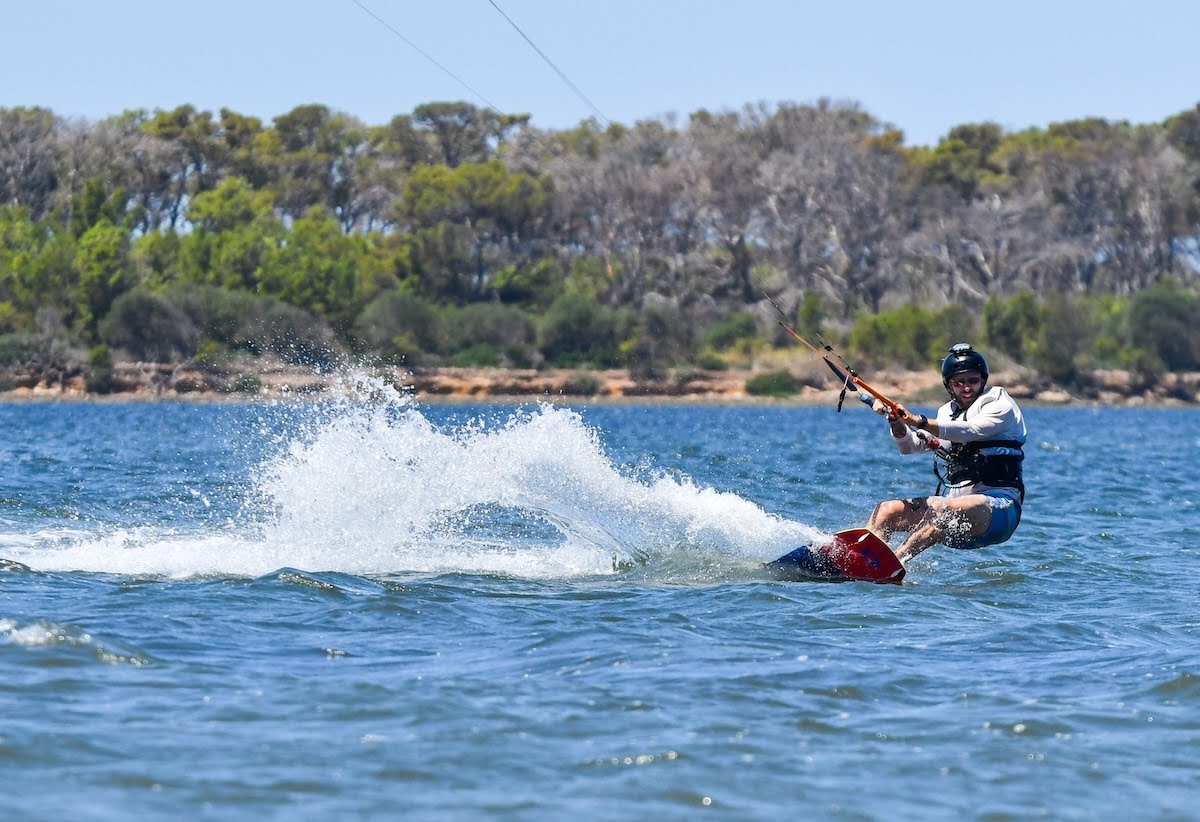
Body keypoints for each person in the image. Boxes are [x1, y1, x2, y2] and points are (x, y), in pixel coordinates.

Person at [867, 343, 1026, 564]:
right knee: (886, 511)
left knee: (944, 509)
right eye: (959, 382)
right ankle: (862, 559)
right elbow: (910, 446)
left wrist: (918, 420)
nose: (967, 387)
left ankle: (892, 564)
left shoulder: (999, 403)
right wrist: (896, 421)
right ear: (949, 385)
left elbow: (970, 430)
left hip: (998, 511)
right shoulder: (946, 413)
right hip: (951, 521)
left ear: (983, 380)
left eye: (973, 380)